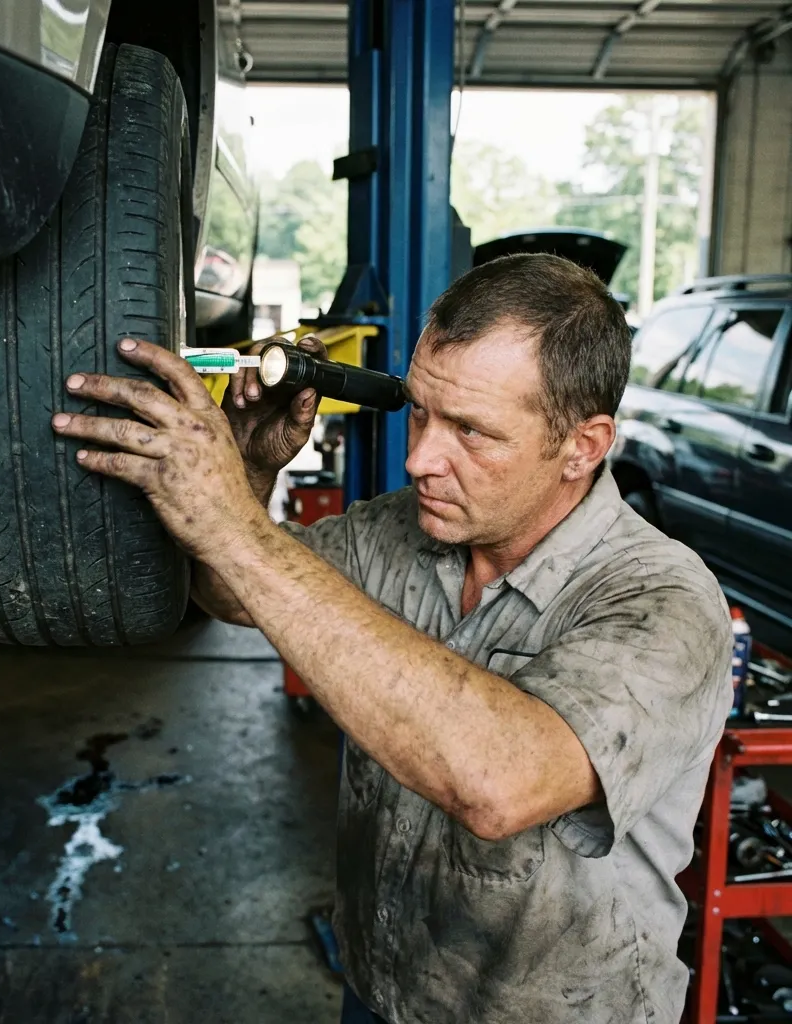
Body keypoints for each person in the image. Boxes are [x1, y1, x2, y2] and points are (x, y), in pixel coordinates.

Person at [51, 253, 733, 1024]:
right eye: (420, 412)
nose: (420, 460)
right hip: (384, 991)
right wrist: (247, 479)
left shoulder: (662, 602)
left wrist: (230, 523)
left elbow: (499, 783)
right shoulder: (400, 529)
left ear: (583, 444)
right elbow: (234, 593)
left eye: (472, 431)